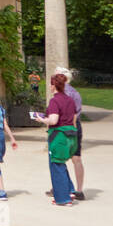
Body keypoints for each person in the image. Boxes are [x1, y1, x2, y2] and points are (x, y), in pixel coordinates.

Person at [37, 72, 79, 206]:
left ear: (54, 85)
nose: (49, 86)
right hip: (71, 136)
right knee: (61, 163)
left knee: (56, 165)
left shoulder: (55, 100)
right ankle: (70, 190)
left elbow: (54, 120)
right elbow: (73, 119)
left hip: (58, 136)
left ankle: (63, 198)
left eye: (50, 84)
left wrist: (42, 119)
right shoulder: (70, 100)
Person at [55, 67, 85, 200]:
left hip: (63, 126)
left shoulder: (62, 94)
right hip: (75, 126)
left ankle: (62, 187)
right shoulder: (75, 93)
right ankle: (79, 190)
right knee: (76, 158)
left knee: (58, 158)